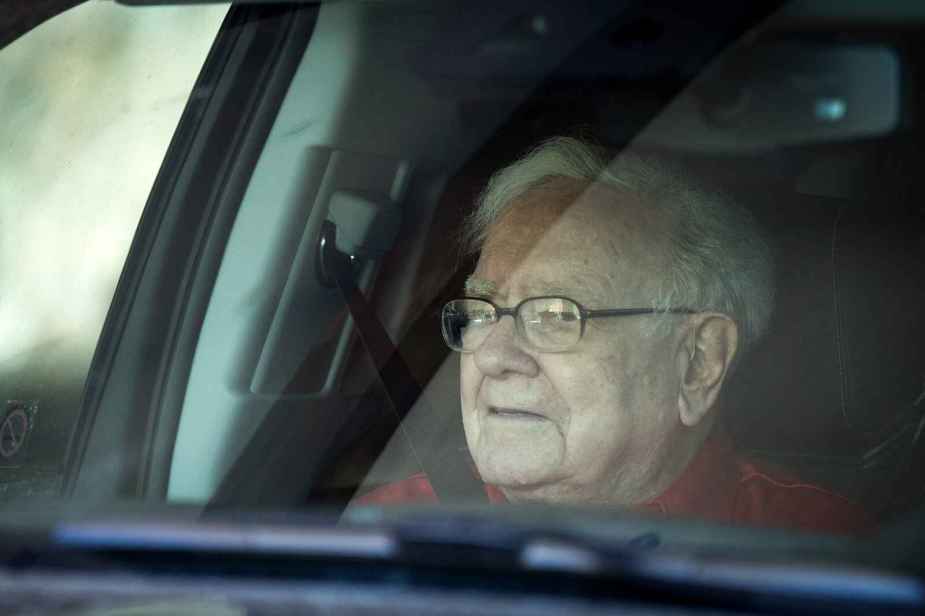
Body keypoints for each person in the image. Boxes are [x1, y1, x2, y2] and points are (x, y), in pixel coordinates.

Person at [359, 137, 869, 535]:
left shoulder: (824, 555)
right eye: (484, 309)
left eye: (557, 314)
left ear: (698, 361)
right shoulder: (382, 531)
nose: (492, 356)